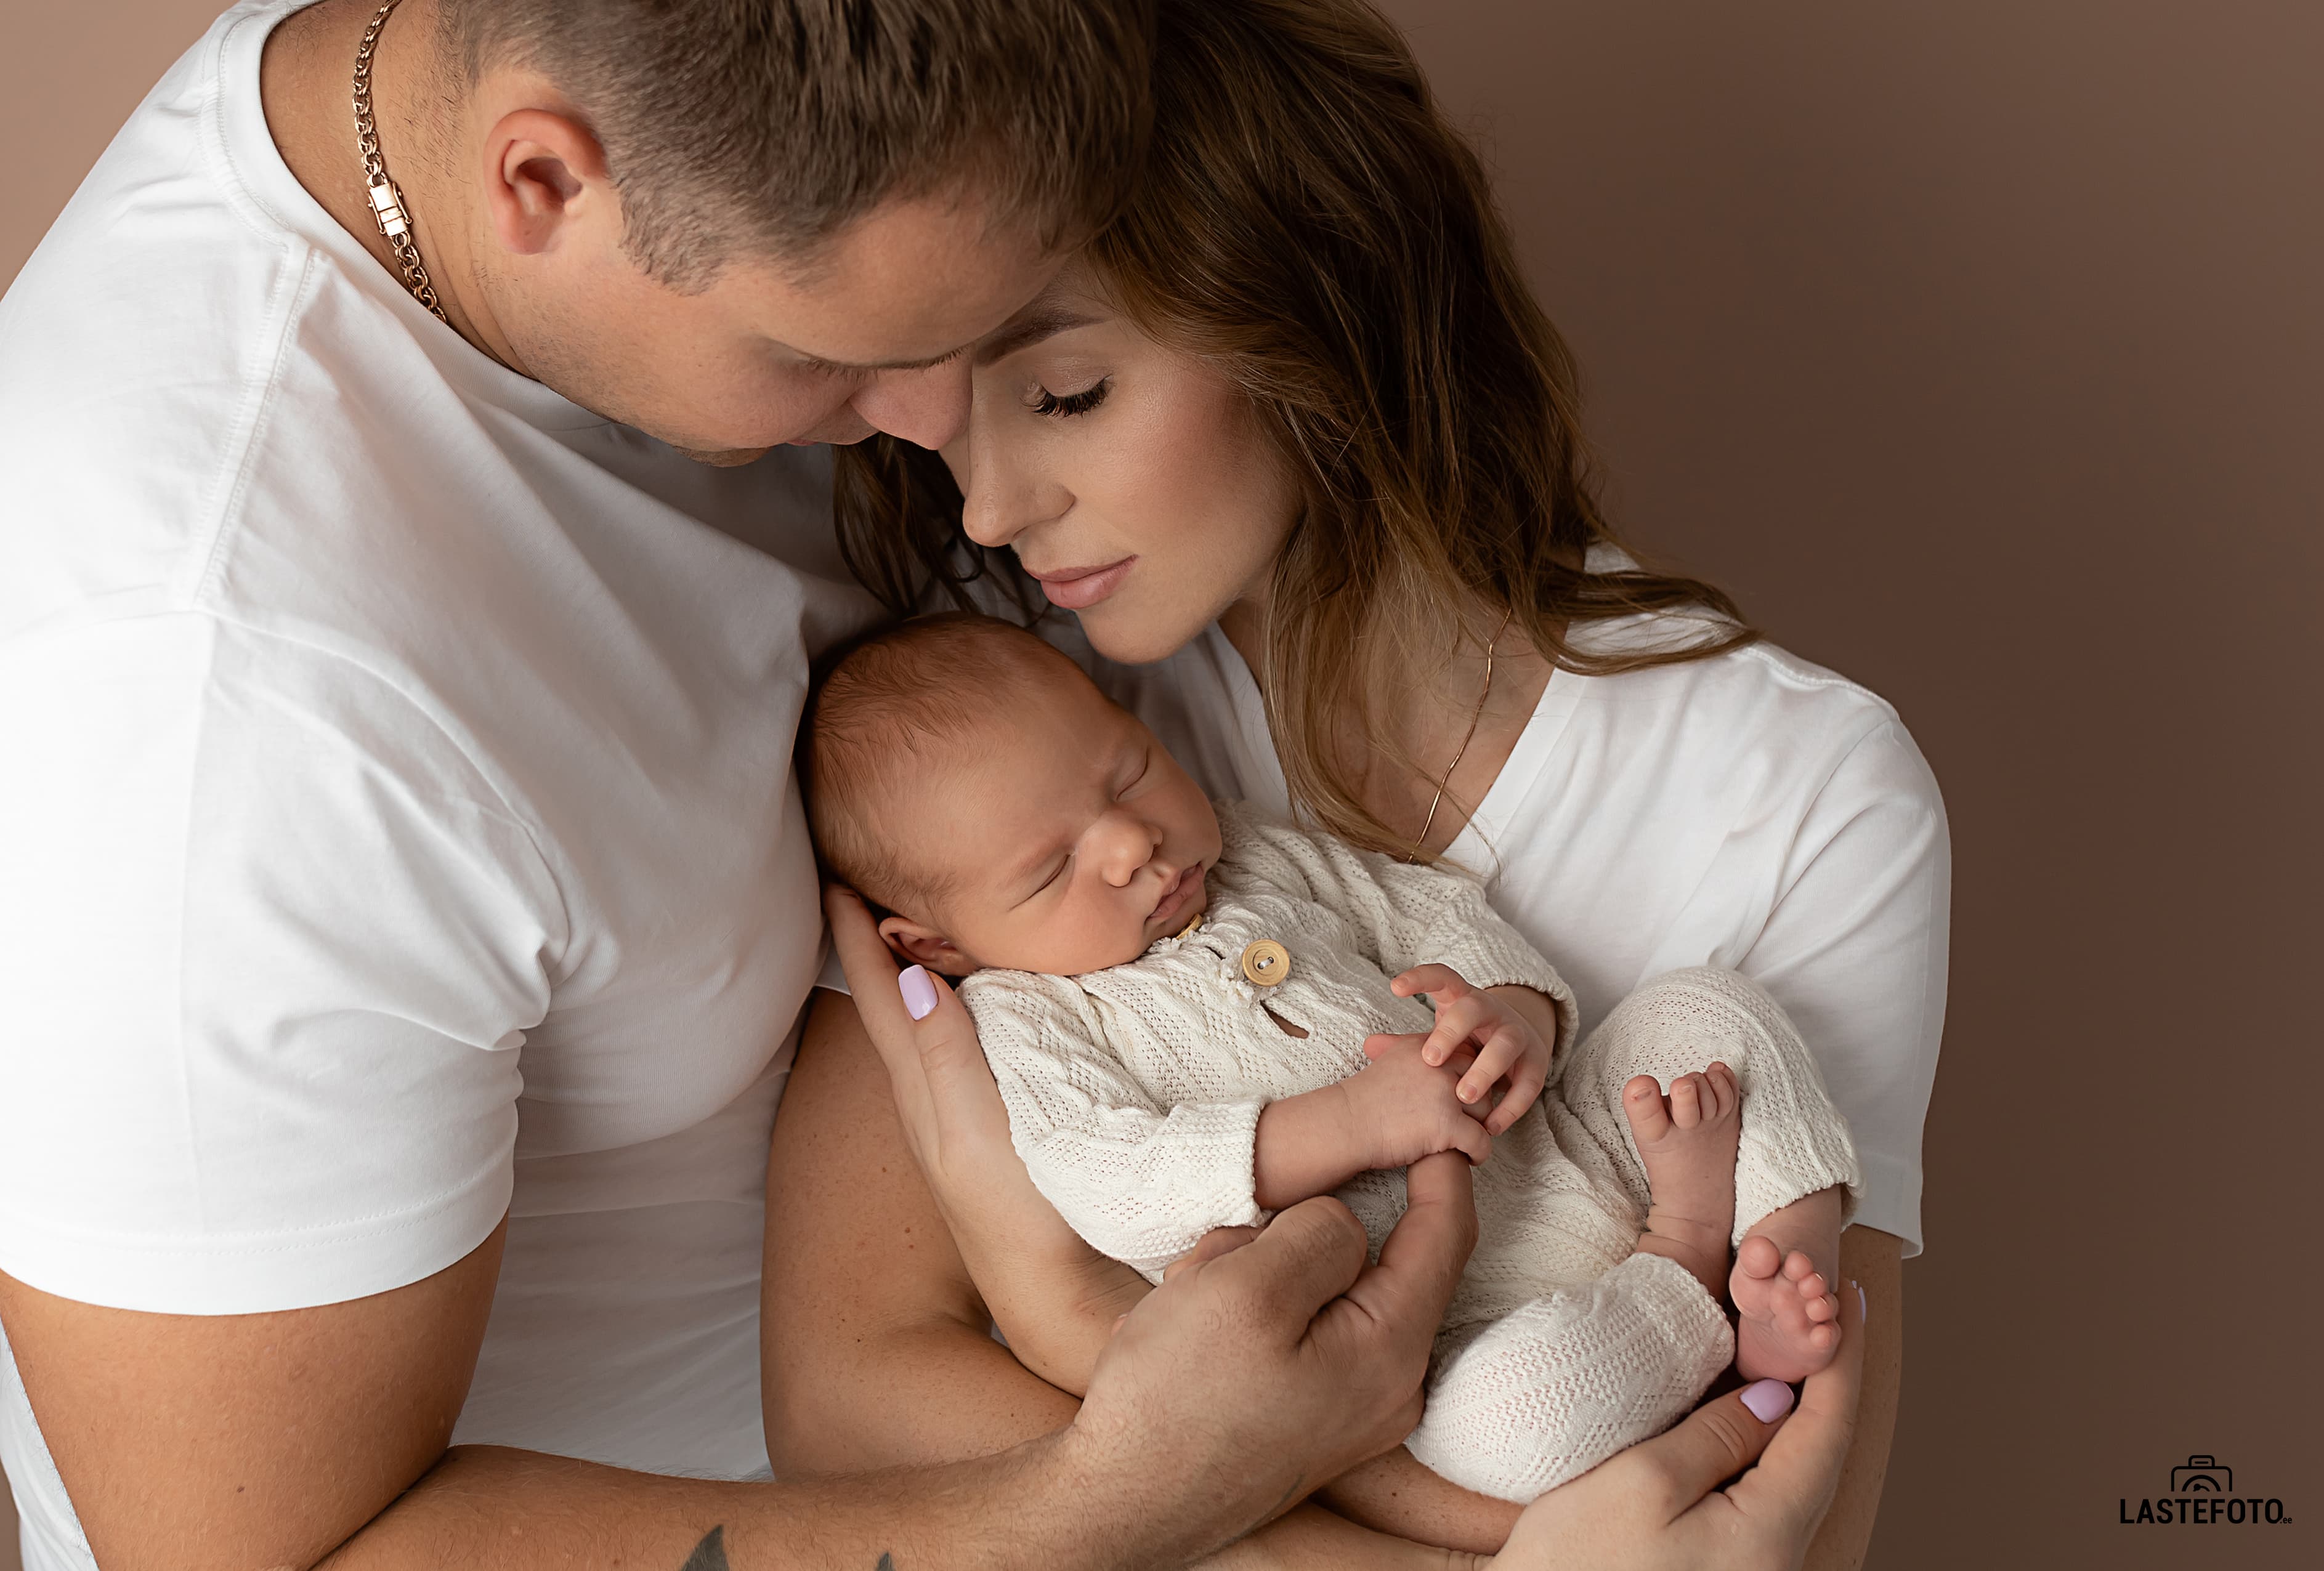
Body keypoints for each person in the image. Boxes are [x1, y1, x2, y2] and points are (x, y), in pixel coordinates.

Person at [0, 1, 1515, 1568]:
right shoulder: (204, 719)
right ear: (542, 187)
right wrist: (1127, 1498)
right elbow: (249, 1557)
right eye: (832, 355)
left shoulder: (611, 114)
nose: (947, 446)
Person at [780, 0, 1945, 1563]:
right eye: (947, 425)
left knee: (1712, 1030)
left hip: (1615, 1194)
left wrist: (1050, 1306)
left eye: (1062, 395)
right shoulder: (1001, 717)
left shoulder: (1803, 790)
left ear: (1308, 304)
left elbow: (1792, 1527)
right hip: (1519, 1401)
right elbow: (845, 1411)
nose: (988, 505)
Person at [798, 612, 1861, 1512]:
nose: (1130, 845)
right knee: (1505, 1428)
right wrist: (1353, 1124)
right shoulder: (1028, 1022)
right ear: (934, 948)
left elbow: (1436, 911)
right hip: (1459, 1326)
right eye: (1049, 869)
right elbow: (1116, 1183)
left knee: (1711, 1011)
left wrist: (1513, 1014)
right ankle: (1687, 1269)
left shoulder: (1256, 852)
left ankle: (1781, 1250)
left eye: (1125, 774)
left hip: (1565, 1138)